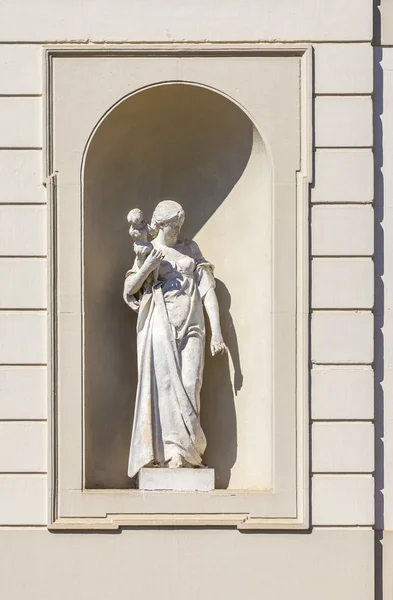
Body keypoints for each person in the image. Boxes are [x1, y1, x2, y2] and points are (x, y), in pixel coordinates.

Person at [123, 200, 226, 478]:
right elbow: (131, 288)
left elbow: (207, 290)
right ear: (160, 224)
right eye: (173, 226)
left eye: (180, 225)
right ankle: (173, 453)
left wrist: (216, 330)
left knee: (191, 384)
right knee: (166, 387)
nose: (178, 230)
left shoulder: (190, 249)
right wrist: (148, 266)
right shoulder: (149, 250)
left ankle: (191, 451)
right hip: (161, 325)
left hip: (193, 325)